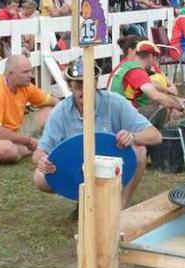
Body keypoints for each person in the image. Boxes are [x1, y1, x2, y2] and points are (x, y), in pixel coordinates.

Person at [33, 59, 162, 208]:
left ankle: (120, 206)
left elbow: (155, 135)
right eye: (78, 86)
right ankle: (85, 201)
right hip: (77, 167)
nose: (84, 90)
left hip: (111, 164)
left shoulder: (115, 102)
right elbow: (39, 151)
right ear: (70, 86)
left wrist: (132, 137)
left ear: (95, 83)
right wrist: (42, 160)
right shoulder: (60, 112)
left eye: (88, 84)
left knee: (140, 151)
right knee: (40, 176)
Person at [0, 55, 58, 164]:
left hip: (16, 129)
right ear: (10, 74)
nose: (31, 75)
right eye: (25, 72)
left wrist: (72, 108)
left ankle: (37, 145)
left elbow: (53, 102)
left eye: (30, 71)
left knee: (52, 111)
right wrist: (28, 141)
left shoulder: (26, 85)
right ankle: (42, 145)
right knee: (7, 150)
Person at [108, 40, 185, 121]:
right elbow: (156, 96)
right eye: (155, 58)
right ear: (151, 56)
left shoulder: (128, 66)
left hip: (114, 112)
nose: (154, 62)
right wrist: (181, 107)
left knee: (166, 104)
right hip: (120, 117)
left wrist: (177, 99)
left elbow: (151, 90)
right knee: (165, 108)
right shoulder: (137, 71)